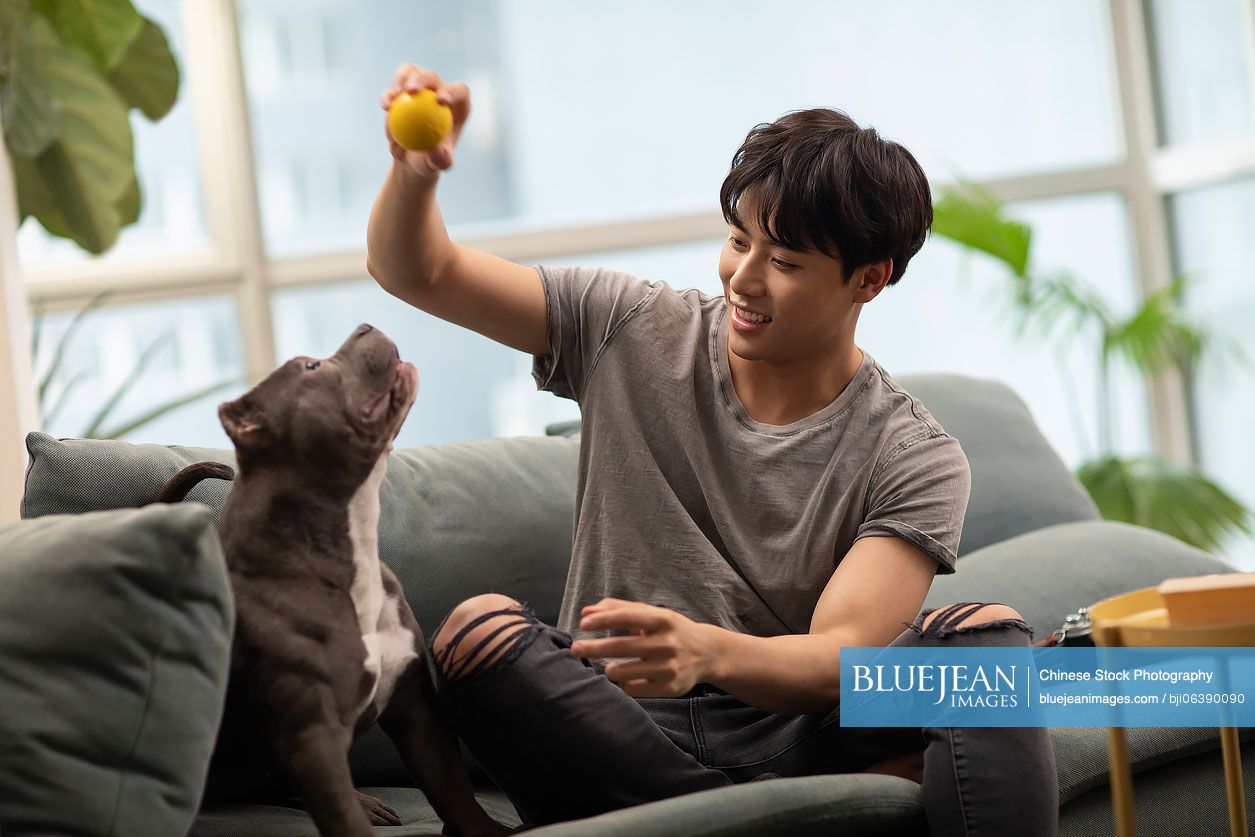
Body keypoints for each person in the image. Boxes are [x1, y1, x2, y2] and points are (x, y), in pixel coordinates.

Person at [366, 63, 1059, 837]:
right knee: (476, 630)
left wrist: (707, 652)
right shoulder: (627, 326)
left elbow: (843, 656)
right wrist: (413, 173)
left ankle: (736, 813)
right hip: (610, 727)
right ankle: (777, 815)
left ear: (869, 279)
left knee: (984, 636)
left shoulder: (912, 455)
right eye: (737, 241)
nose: (744, 278)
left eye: (786, 262)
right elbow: (418, 270)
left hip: (792, 732)